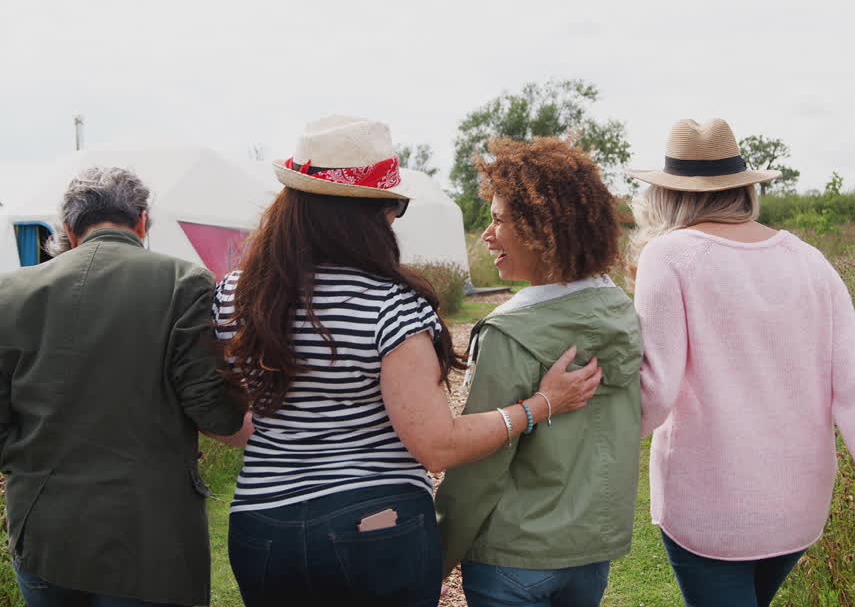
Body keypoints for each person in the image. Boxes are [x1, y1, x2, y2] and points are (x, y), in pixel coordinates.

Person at [212, 115, 603, 607]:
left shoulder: (234, 295)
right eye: (393, 207)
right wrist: (540, 405)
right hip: (374, 524)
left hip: (261, 524)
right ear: (370, 212)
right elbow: (437, 446)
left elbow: (224, 414)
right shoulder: (389, 304)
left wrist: (297, 437)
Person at [628, 119, 855, 607]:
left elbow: (654, 393)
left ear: (668, 194)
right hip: (796, 509)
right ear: (745, 188)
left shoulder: (668, 256)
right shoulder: (810, 260)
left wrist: (577, 423)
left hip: (711, 509)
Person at [0, 167, 246, 607]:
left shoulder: (8, 291)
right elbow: (213, 410)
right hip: (153, 537)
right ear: (142, 222)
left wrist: (35, 470)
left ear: (69, 230)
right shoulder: (183, 282)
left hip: (45, 532)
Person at [435, 137, 642, 607]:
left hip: (514, 555)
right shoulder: (621, 313)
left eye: (498, 220)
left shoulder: (510, 333)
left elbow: (478, 468)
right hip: (589, 551)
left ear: (542, 229)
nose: (486, 236)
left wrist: (438, 557)